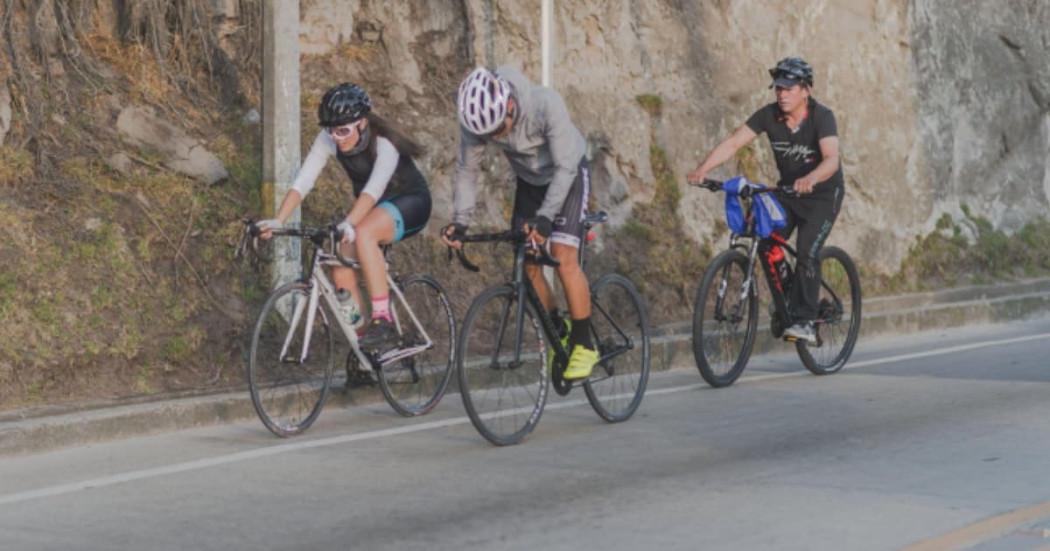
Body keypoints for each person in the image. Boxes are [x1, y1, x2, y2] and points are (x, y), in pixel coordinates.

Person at [441, 66, 598, 379]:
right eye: (489, 135)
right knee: (526, 261)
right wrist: (460, 222)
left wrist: (545, 220)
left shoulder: (544, 104)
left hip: (567, 174)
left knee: (563, 257)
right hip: (530, 182)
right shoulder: (477, 124)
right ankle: (558, 329)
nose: (498, 137)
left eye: (500, 129)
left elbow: (566, 169)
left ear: (509, 105)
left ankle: (585, 344)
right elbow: (467, 172)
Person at [257, 83, 432, 352]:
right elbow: (303, 181)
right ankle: (366, 345)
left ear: (362, 123)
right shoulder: (329, 137)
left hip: (410, 202)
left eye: (343, 130)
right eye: (331, 130)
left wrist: (349, 223)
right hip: (375, 208)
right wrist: (279, 219)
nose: (337, 137)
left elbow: (372, 192)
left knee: (363, 234)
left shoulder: (384, 143)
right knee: (340, 266)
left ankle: (382, 318)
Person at [687, 56, 845, 344]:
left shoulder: (822, 117)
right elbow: (735, 142)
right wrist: (703, 169)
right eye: (778, 89)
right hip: (787, 193)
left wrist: (812, 178)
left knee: (807, 250)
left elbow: (832, 159)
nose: (782, 94)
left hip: (822, 195)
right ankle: (789, 300)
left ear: (805, 90)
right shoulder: (768, 115)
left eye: (789, 88)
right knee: (764, 239)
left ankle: (807, 320)